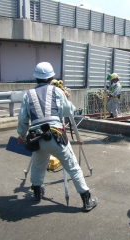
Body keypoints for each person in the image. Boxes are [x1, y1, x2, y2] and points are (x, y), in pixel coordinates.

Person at [17, 62, 98, 211]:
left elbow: (22, 119)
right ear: (51, 78)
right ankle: (86, 199)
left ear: (36, 78)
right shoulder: (56, 91)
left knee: (37, 166)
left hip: (36, 139)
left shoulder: (28, 94)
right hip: (56, 137)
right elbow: (68, 111)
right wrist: (66, 98)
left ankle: (36, 192)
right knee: (73, 167)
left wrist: (21, 136)